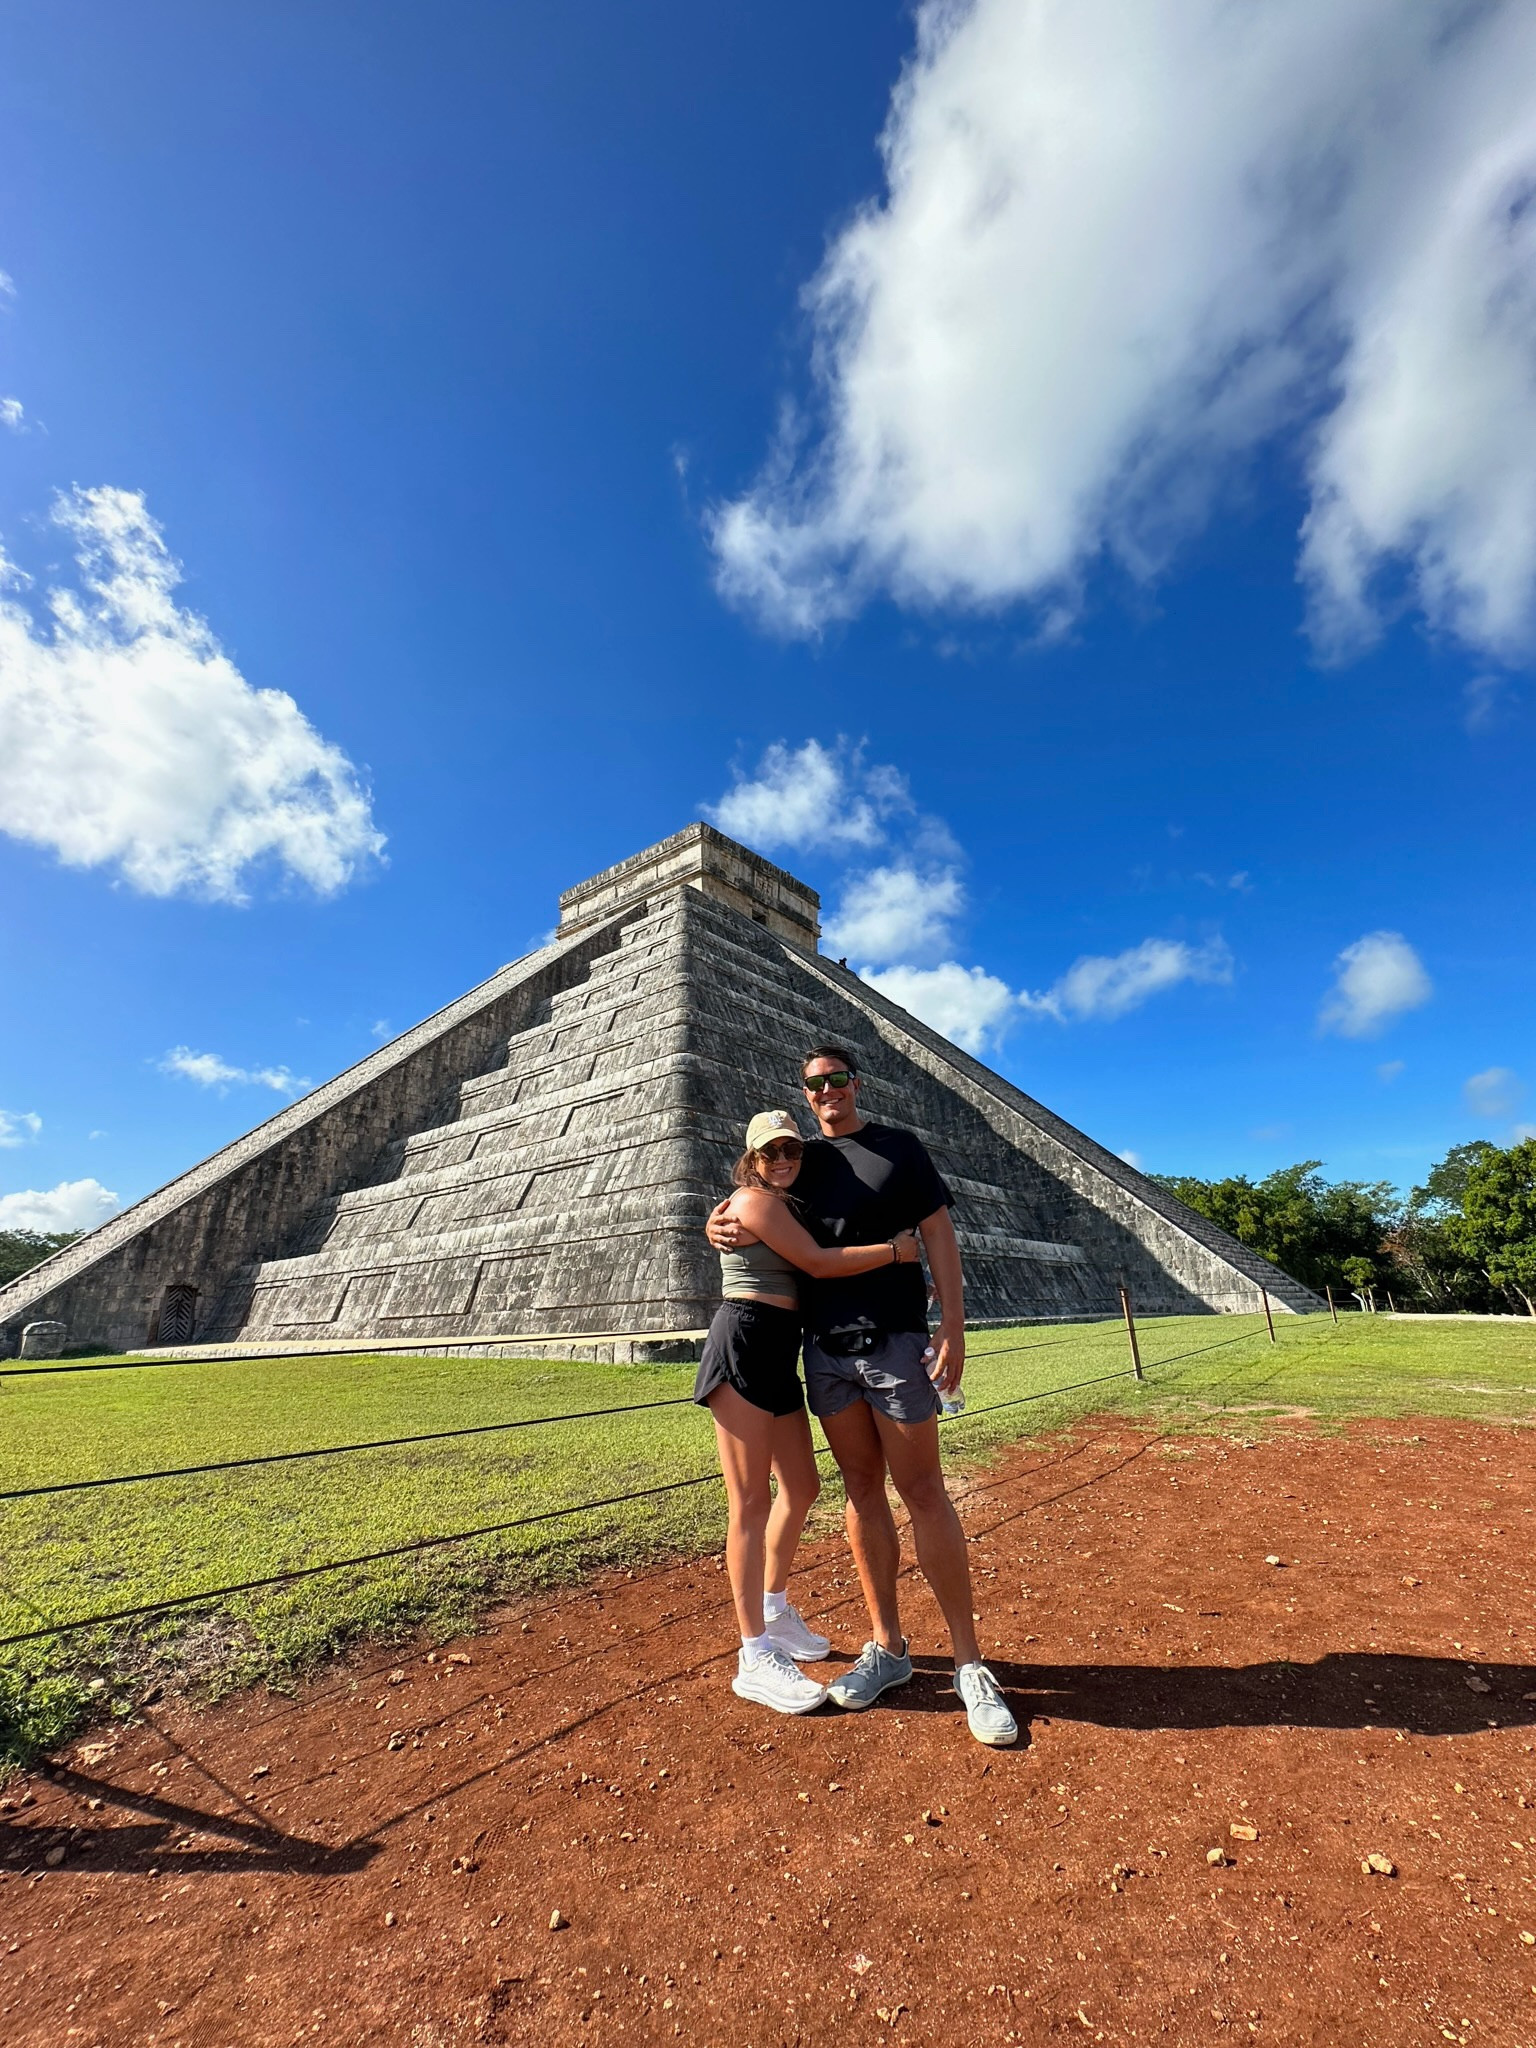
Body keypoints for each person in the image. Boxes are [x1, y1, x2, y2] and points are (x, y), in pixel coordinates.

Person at [708, 1048, 1017, 1747]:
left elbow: (938, 1234)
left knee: (924, 1490)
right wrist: (712, 1222)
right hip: (824, 1354)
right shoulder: (800, 1163)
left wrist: (954, 1326)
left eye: (838, 1079)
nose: (828, 1091)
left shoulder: (897, 1148)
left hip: (894, 1344)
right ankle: (888, 1647)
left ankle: (969, 1663)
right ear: (805, 1094)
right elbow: (748, 1208)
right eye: (815, 1083)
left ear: (856, 1083)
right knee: (861, 1492)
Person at [695, 1108, 923, 1717]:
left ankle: (773, 1609)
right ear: (752, 1160)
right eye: (769, 1152)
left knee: (801, 1485)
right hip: (744, 1341)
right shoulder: (756, 1202)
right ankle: (753, 1654)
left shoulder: (783, 1206)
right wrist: (897, 1253)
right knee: (749, 1503)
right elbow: (820, 1263)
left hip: (778, 1348)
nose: (783, 1160)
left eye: (791, 1149)